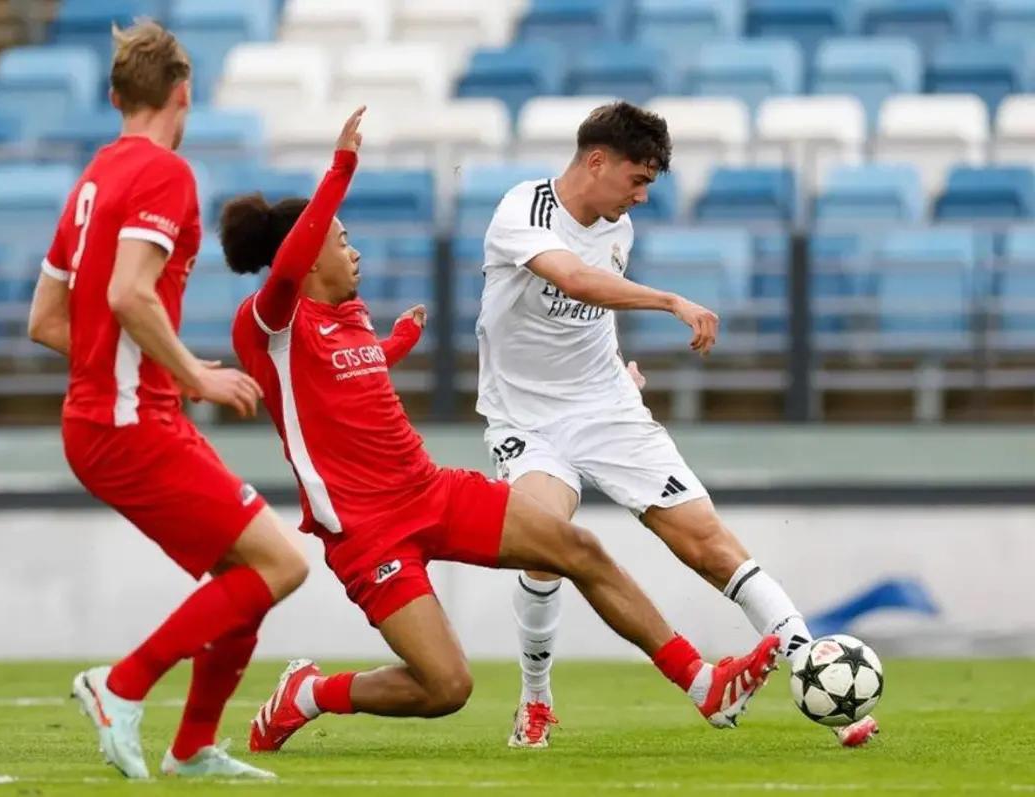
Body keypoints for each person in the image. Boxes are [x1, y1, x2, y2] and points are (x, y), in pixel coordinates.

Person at [225, 106, 780, 753]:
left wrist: (397, 342)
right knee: (446, 687)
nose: (353, 251)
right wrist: (342, 168)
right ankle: (311, 694)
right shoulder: (268, 322)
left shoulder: (349, 315)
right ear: (306, 252)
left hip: (427, 490)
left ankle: (702, 682)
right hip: (365, 530)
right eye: (340, 240)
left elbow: (349, 372)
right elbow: (291, 275)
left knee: (578, 549)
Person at [474, 100, 878, 749]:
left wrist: (615, 374)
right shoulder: (524, 210)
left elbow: (589, 320)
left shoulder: (619, 230)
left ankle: (816, 671)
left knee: (708, 542)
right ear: (597, 161)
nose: (641, 196)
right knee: (547, 543)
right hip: (525, 418)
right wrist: (670, 300)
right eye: (636, 180)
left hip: (607, 410)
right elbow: (575, 281)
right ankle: (536, 698)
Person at [26, 20, 305, 780]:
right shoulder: (167, 174)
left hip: (110, 416)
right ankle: (121, 684)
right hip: (127, 423)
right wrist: (192, 373)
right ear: (184, 94)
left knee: (248, 575)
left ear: (116, 96)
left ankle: (192, 750)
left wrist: (150, 369)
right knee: (282, 565)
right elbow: (128, 293)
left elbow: (45, 320)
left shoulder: (92, 180)